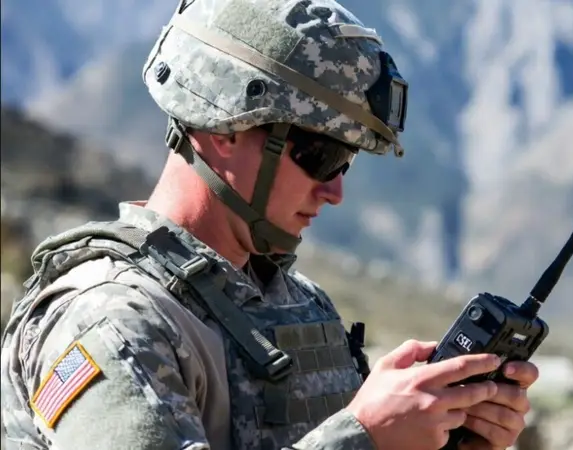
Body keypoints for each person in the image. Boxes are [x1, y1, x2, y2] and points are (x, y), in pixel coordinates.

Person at [0, 0, 540, 449]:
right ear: (224, 126)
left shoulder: (298, 302)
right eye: (320, 155)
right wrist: (365, 437)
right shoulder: (109, 320)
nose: (335, 191)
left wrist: (447, 438)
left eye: (345, 163)